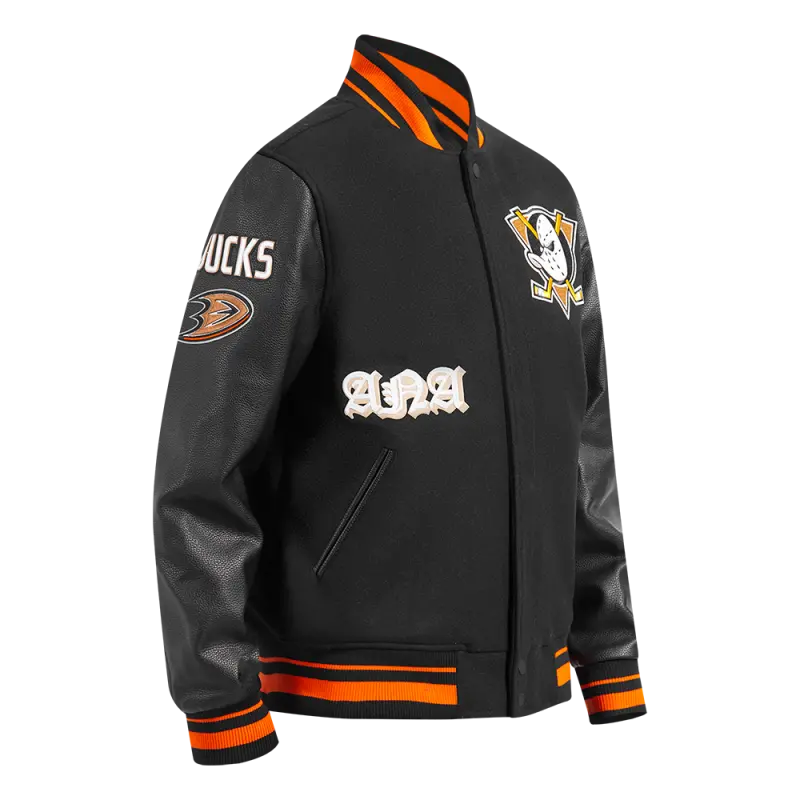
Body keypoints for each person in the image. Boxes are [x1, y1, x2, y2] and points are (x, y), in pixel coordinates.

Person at [154, 31, 644, 769]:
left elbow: (583, 439)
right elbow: (200, 461)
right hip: (342, 697)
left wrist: (611, 657)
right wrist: (219, 702)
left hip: (542, 692)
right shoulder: (295, 178)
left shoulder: (543, 188)